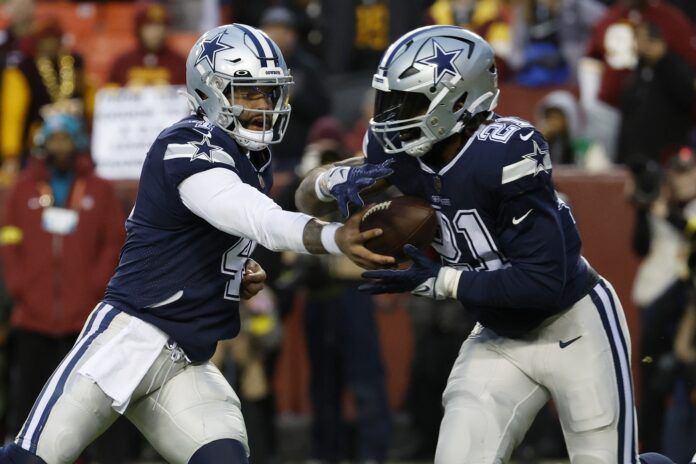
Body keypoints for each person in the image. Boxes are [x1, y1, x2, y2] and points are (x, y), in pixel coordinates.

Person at [0, 24, 393, 464]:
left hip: (187, 360)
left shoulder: (250, 156)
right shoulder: (185, 146)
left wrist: (229, 268)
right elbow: (257, 218)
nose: (263, 106)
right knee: (28, 461)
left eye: (269, 93)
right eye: (248, 93)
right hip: (129, 342)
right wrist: (335, 236)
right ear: (209, 91)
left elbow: (216, 229)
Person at [295, 25, 672, 464]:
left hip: (574, 325)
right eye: (388, 100)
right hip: (497, 335)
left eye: (409, 101)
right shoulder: (395, 150)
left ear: (458, 100)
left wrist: (444, 282)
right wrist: (328, 181)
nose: (390, 116)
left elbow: (542, 282)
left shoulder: (507, 151)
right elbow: (304, 197)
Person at [0, 113, 125, 439]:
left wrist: (96, 286)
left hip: (83, 317)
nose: (59, 145)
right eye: (53, 138)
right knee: (28, 395)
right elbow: (9, 237)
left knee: (81, 399)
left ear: (78, 141)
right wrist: (19, 284)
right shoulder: (23, 188)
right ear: (42, 142)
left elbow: (113, 241)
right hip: (32, 315)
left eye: (65, 137)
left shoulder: (100, 189)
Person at [106, 1, 187, 87]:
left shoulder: (180, 63)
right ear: (139, 29)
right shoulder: (122, 63)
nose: (156, 31)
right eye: (149, 26)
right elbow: (109, 94)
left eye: (161, 25)